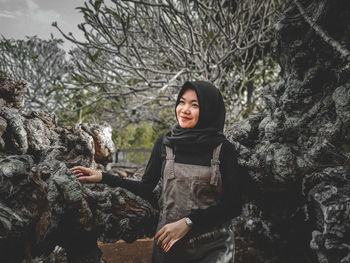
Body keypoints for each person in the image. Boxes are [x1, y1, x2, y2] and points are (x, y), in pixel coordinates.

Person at [71, 81, 245, 263]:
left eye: (195, 105)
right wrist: (103, 177)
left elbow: (233, 206)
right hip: (170, 248)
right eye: (182, 102)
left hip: (213, 249)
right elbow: (146, 187)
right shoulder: (165, 144)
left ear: (209, 109)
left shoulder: (223, 149)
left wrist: (189, 222)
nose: (184, 109)